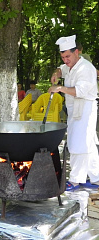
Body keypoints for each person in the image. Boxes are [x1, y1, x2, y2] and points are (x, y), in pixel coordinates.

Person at [49, 34, 99, 191]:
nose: (65, 60)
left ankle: (76, 180)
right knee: (88, 144)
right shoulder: (70, 66)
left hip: (85, 109)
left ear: (76, 52)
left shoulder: (86, 68)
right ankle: (96, 177)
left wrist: (60, 88)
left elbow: (80, 91)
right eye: (63, 57)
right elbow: (61, 69)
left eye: (68, 56)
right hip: (74, 110)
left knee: (78, 143)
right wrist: (56, 74)